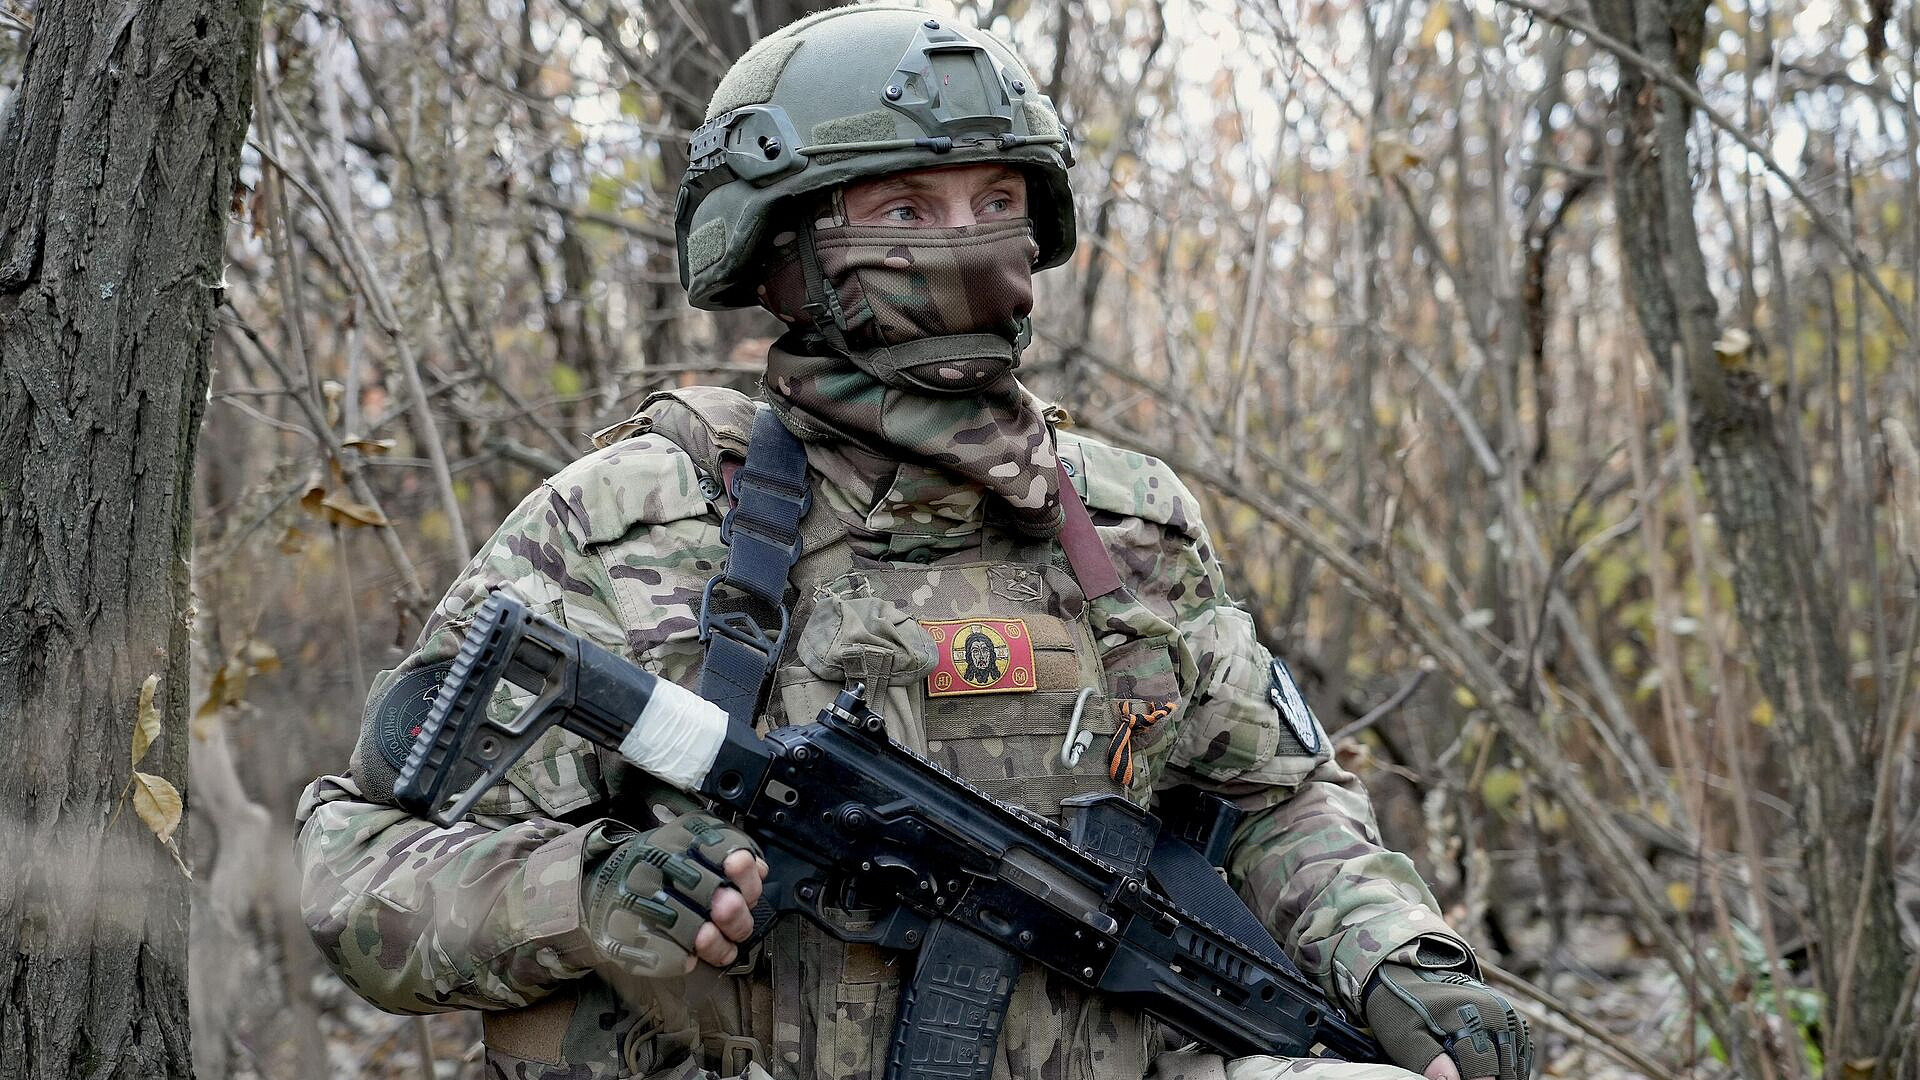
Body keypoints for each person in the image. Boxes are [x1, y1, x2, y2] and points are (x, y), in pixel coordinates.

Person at [293, 8, 1533, 1080]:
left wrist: (1399, 959)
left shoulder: (1126, 524)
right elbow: (355, 872)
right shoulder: (630, 528)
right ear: (781, 246)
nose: (967, 244)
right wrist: (590, 892)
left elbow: (1277, 801)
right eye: (905, 208)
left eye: (996, 204)